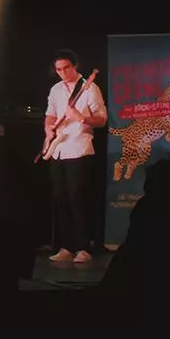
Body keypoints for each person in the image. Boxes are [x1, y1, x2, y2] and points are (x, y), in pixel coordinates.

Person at [44, 49, 107, 264]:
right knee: (60, 199)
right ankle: (66, 246)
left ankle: (83, 247)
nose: (63, 73)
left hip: (79, 148)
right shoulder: (55, 90)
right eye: (59, 70)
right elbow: (50, 114)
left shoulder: (90, 88)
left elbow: (102, 119)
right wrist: (48, 130)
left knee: (77, 198)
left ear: (75, 66)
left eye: (66, 68)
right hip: (58, 149)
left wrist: (80, 117)